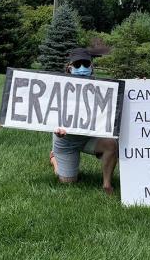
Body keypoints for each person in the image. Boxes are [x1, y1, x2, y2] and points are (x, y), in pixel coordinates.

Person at [49, 48, 119, 194]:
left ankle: (106, 184)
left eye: (86, 64)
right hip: (66, 141)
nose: (82, 68)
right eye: (77, 65)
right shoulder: (59, 86)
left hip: (88, 138)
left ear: (92, 67)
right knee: (68, 182)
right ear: (70, 68)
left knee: (111, 144)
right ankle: (55, 159)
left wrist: (139, 85)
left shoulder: (102, 87)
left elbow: (123, 95)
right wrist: (56, 128)